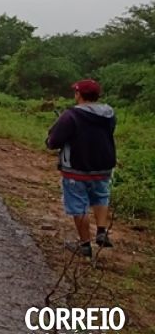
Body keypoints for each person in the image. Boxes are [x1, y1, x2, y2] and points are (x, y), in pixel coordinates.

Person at [46, 79, 116, 258]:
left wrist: (50, 140)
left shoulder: (70, 115)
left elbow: (54, 141)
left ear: (78, 94)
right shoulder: (109, 114)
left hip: (76, 168)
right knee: (101, 197)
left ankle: (85, 245)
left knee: (78, 205)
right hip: (103, 166)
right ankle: (101, 231)